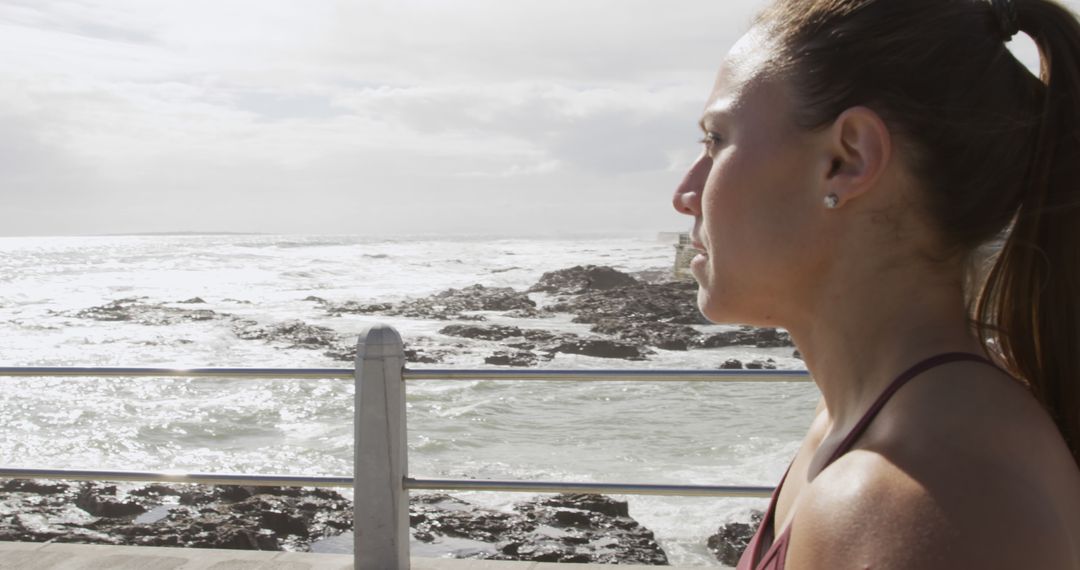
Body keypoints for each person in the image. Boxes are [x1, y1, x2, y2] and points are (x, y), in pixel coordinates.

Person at [671, 0, 1080, 568]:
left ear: (848, 158)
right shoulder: (877, 431)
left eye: (716, 140)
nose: (686, 193)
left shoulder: (910, 496)